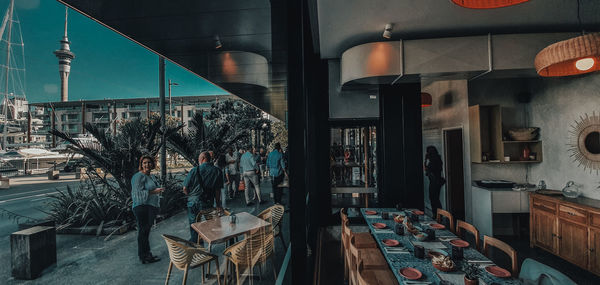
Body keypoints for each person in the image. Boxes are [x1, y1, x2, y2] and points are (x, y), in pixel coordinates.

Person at [183, 151, 223, 243]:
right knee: (211, 223)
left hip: (193, 202)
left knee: (194, 224)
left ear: (203, 159)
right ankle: (212, 240)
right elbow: (218, 190)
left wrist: (190, 195)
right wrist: (218, 204)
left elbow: (185, 188)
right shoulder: (217, 171)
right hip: (207, 201)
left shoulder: (194, 170)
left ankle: (197, 244)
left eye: (199, 159)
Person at [131, 155, 164, 264]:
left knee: (146, 232)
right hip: (142, 207)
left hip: (150, 207)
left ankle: (146, 254)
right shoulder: (138, 177)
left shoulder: (151, 176)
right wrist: (155, 191)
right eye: (144, 163)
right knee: (143, 231)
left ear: (152, 164)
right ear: (141, 164)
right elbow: (137, 194)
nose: (147, 165)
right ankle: (144, 256)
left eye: (149, 162)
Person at [424, 146, 444, 215]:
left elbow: (427, 171)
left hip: (434, 182)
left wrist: (425, 160)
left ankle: (436, 215)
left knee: (433, 199)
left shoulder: (433, 161)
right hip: (436, 181)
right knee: (435, 199)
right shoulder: (438, 159)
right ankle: (438, 215)